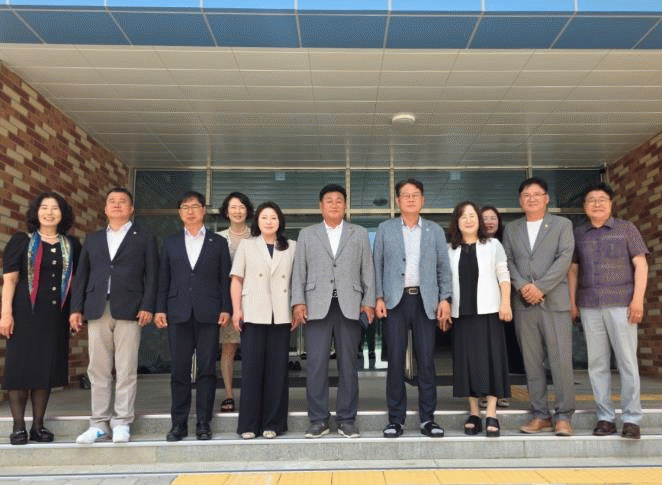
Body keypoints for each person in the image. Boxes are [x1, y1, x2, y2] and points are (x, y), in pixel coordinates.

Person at [70, 187, 159, 444]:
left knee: (126, 368)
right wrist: (76, 308)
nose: (117, 205)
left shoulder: (145, 238)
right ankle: (99, 423)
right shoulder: (93, 239)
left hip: (130, 308)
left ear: (131, 209)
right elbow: (82, 276)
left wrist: (148, 305)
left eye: (122, 201)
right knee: (97, 369)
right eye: (112, 201)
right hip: (97, 307)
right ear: (105, 208)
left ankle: (122, 422)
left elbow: (152, 275)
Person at [291, 184, 375, 439]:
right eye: (329, 200)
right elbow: (299, 271)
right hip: (316, 306)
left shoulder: (359, 233)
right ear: (321, 206)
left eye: (339, 200)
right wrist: (298, 302)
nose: (334, 204)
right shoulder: (307, 234)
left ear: (345, 205)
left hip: (350, 305)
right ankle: (318, 420)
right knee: (316, 365)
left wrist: (369, 302)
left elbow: (367, 269)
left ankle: (346, 420)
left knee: (348, 365)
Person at [568, 182, 649, 440]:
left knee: (627, 362)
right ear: (584, 206)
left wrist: (638, 300)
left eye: (602, 199)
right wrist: (572, 302)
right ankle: (605, 418)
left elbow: (641, 265)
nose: (597, 204)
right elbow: (573, 270)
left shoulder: (627, 229)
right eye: (591, 200)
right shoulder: (579, 234)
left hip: (622, 304)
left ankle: (632, 419)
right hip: (590, 305)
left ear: (611, 204)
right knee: (597, 364)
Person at [0, 192, 81, 445]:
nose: (49, 212)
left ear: (62, 214)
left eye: (55, 208)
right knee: (20, 369)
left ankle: (38, 426)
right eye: (44, 207)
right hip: (24, 314)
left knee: (45, 370)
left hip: (55, 316)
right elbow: (10, 279)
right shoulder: (22, 241)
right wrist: (5, 313)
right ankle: (18, 427)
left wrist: (76, 312)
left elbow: (77, 281)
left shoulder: (72, 245)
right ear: (36, 212)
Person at [373, 178, 451, 438]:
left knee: (426, 361)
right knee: (395, 361)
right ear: (397, 200)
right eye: (405, 195)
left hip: (425, 302)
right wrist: (379, 297)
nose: (410, 199)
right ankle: (396, 420)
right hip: (395, 302)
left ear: (423, 200)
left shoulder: (434, 230)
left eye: (415, 194)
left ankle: (428, 419)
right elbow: (377, 265)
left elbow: (443, 267)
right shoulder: (385, 229)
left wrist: (445, 298)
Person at [155, 191, 231, 441]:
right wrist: (160, 308)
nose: (190, 211)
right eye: (185, 207)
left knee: (207, 370)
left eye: (195, 206)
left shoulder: (218, 243)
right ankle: (178, 424)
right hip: (177, 312)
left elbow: (224, 279)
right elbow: (163, 278)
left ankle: (203, 423)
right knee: (179, 370)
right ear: (180, 213)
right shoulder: (171, 242)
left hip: (209, 313)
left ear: (203, 210)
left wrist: (226, 308)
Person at [502, 177, 576, 437]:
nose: (531, 198)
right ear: (520, 200)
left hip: (554, 302)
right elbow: (507, 261)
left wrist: (541, 287)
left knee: (561, 361)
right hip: (524, 304)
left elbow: (565, 258)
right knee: (531, 362)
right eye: (526, 195)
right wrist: (523, 286)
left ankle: (564, 416)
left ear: (547, 198)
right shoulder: (512, 229)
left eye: (536, 194)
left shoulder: (562, 225)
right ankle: (540, 414)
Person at [230, 202, 296, 439]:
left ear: (280, 222)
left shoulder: (292, 247)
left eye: (274, 218)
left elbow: (297, 281)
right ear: (257, 221)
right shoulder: (247, 245)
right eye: (264, 217)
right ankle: (248, 424)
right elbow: (236, 279)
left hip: (281, 314)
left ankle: (273, 424)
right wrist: (236, 310)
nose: (269, 222)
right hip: (253, 312)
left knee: (277, 372)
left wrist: (297, 308)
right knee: (251, 371)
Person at [448, 202, 512, 438]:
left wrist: (506, 303)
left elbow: (503, 274)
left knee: (492, 360)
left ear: (479, 220)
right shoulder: (449, 249)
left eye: (472, 215)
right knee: (467, 363)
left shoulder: (493, 245)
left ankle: (492, 413)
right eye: (463, 216)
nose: (468, 220)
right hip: (462, 313)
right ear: (457, 222)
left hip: (490, 311)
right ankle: (474, 412)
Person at [479, 206, 525, 409]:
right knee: (483, 349)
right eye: (485, 218)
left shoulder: (507, 242)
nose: (489, 222)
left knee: (502, 351)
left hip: (506, 303)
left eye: (493, 218)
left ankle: (501, 392)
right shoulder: (475, 242)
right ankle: (483, 391)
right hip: (483, 304)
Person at [216, 192, 254, 413]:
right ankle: (229, 394)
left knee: (253, 349)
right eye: (233, 207)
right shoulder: (218, 238)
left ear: (247, 210)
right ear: (226, 211)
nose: (238, 211)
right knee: (228, 347)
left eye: (241, 207)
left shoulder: (257, 235)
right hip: (228, 302)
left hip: (254, 299)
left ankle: (252, 394)